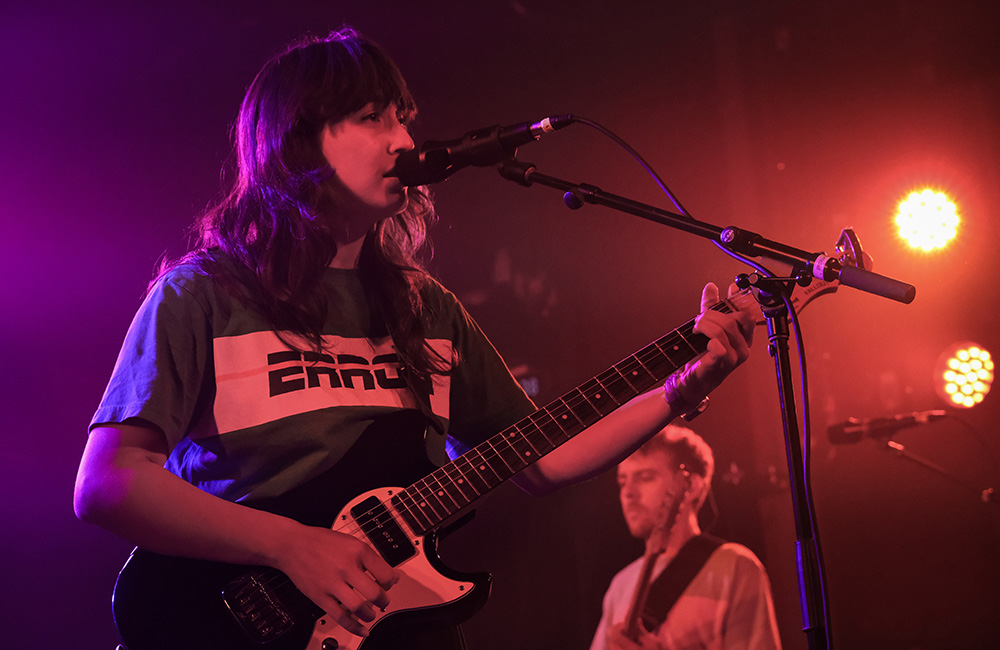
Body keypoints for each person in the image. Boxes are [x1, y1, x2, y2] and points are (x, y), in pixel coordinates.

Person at [72, 26, 755, 650]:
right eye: (373, 117)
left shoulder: (427, 308)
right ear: (297, 140)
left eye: (403, 118)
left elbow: (540, 459)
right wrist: (289, 546)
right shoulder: (204, 295)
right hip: (230, 619)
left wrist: (681, 387)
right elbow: (108, 483)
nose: (403, 140)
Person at [590, 425, 782, 650]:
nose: (628, 493)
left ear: (690, 486)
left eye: (645, 477)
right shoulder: (621, 585)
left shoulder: (734, 566)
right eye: (623, 481)